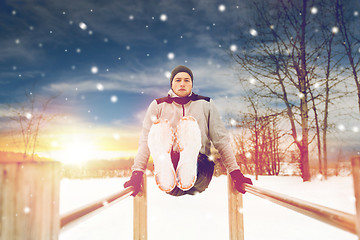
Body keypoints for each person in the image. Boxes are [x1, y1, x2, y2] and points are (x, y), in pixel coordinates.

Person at [124, 65, 252, 197]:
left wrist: (236, 173)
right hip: (170, 175)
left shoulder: (206, 103)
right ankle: (166, 164)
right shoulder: (158, 105)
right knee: (160, 146)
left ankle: (189, 159)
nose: (182, 84)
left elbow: (221, 140)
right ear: (171, 83)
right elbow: (146, 142)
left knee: (196, 164)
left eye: (187, 80)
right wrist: (136, 174)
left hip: (200, 168)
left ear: (192, 84)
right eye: (178, 80)